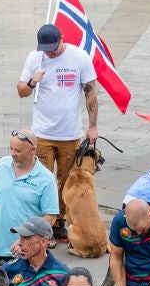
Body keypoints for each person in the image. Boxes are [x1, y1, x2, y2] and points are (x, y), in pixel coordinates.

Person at [19, 23, 100, 191]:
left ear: (61, 39)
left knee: (66, 181)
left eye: (53, 49)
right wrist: (32, 82)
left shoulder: (79, 57)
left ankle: (60, 216)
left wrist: (92, 126)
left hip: (69, 134)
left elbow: (90, 92)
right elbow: (21, 92)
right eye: (46, 50)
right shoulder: (35, 58)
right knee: (41, 180)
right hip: (42, 133)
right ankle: (44, 215)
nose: (49, 53)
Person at [0, 130, 60, 266]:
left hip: (26, 253)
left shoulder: (46, 179)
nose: (12, 153)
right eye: (11, 148)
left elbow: (50, 217)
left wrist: (24, 241)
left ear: (32, 150)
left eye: (18, 150)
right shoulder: (2, 165)